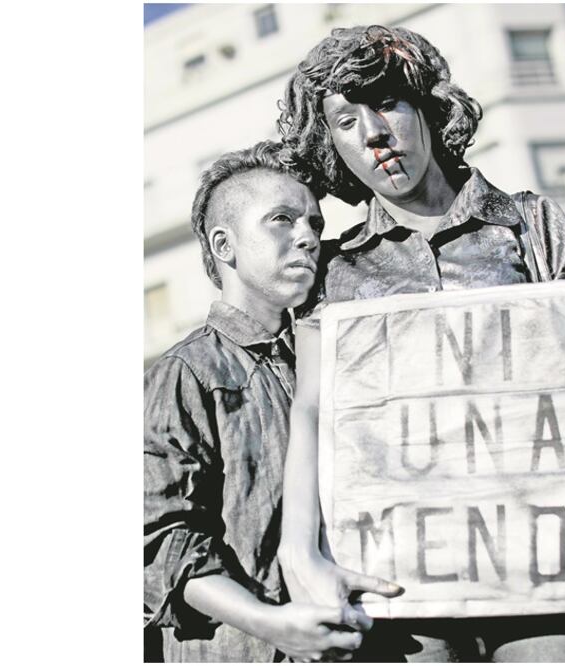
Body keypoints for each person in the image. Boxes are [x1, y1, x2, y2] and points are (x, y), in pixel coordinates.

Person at [276, 26, 565, 662]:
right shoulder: (333, 271)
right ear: (332, 147)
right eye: (346, 120)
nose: (373, 132)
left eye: (388, 104)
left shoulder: (530, 223)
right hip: (403, 569)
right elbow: (314, 413)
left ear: (428, 108)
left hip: (544, 555)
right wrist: (303, 552)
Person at [143, 141, 400, 662]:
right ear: (224, 245)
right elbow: (156, 541)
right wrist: (273, 624)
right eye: (281, 220)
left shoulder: (341, 357)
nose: (307, 237)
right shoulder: (183, 374)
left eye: (314, 225)